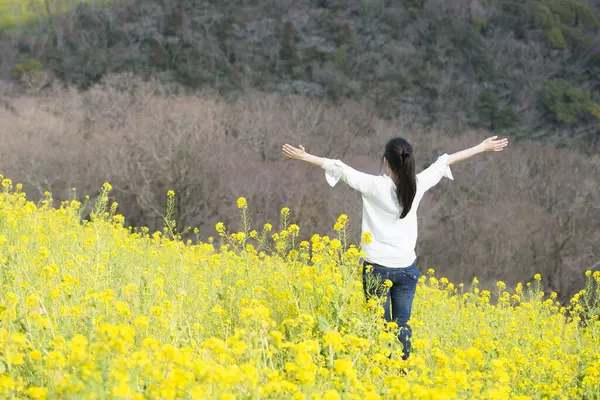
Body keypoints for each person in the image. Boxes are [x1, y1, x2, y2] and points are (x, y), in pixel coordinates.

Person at [281, 135, 509, 360]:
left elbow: (339, 168)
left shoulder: (374, 186)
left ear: (386, 161)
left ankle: (381, 368)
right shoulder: (417, 185)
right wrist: (482, 147)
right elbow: (444, 161)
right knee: (402, 325)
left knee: (378, 324)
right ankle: (401, 370)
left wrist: (304, 156)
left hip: (376, 268)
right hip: (406, 269)